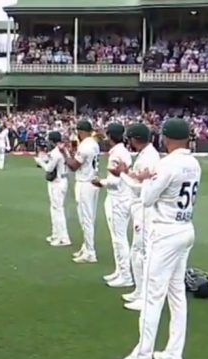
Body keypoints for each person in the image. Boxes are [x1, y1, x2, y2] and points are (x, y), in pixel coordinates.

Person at [109, 118, 202, 359]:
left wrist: (142, 178)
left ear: (166, 138)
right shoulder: (194, 163)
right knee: (176, 295)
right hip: (185, 229)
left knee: (152, 295)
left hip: (165, 233)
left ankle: (142, 357)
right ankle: (173, 352)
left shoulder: (168, 164)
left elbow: (147, 198)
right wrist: (140, 178)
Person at [119, 123, 161, 310]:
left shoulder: (150, 157)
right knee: (137, 251)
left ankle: (145, 296)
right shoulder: (146, 154)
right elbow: (138, 178)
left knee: (140, 251)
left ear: (134, 139)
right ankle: (139, 290)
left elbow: (140, 188)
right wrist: (130, 174)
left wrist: (123, 175)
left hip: (144, 209)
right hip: (139, 208)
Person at [92, 123, 133, 287]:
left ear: (110, 136)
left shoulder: (117, 154)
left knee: (119, 239)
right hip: (121, 198)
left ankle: (125, 275)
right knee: (118, 238)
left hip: (118, 199)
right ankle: (120, 271)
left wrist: (100, 181)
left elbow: (116, 181)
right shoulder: (121, 151)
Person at [64, 120, 100, 264]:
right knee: (88, 217)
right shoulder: (94, 143)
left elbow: (73, 166)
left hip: (85, 182)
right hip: (92, 181)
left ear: (81, 131)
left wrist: (65, 155)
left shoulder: (85, 145)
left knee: (86, 219)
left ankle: (90, 252)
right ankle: (86, 247)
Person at [34, 131, 70, 247]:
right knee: (54, 208)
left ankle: (63, 238)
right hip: (60, 180)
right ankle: (56, 234)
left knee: (58, 209)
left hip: (58, 182)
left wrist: (40, 162)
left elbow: (49, 168)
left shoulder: (56, 152)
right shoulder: (62, 150)